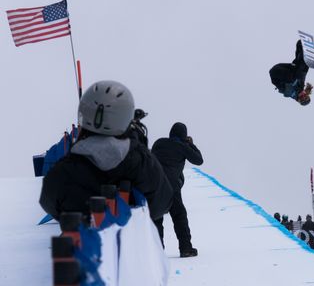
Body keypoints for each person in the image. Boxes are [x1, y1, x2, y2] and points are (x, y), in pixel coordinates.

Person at [39, 80, 173, 224]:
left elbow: (49, 202)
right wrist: (134, 137)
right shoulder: (141, 162)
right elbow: (163, 204)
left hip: (85, 242)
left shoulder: (65, 169)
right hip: (132, 242)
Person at [152, 122, 203, 258]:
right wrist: (190, 144)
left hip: (155, 185)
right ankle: (186, 248)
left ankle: (157, 251)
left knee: (157, 217)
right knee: (179, 215)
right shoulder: (182, 146)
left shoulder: (159, 143)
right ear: (184, 136)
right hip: (171, 187)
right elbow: (198, 160)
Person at [269, 40, 314, 106]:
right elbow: (303, 74)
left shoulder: (290, 93)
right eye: (305, 95)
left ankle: (304, 56)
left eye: (301, 97)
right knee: (300, 67)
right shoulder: (301, 86)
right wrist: (308, 63)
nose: (303, 95)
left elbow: (289, 86)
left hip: (276, 74)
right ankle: (301, 47)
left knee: (296, 76)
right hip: (283, 69)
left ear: (298, 99)